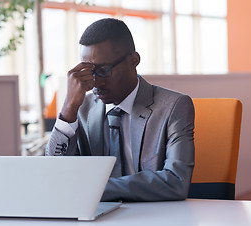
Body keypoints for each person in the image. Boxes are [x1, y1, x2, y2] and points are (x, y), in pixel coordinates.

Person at [46, 18, 195, 202]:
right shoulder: (81, 109)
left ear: (134, 60)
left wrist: (97, 189)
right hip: (94, 221)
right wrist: (68, 108)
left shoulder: (173, 106)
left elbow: (176, 182)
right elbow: (54, 174)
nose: (96, 82)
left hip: (154, 220)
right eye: (88, 72)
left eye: (104, 70)